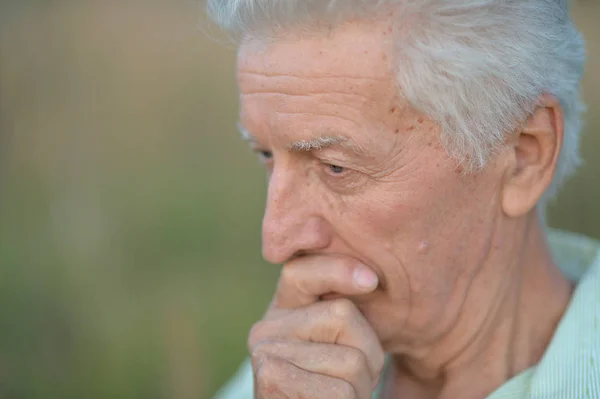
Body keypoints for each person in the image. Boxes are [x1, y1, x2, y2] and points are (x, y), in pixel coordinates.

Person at [208, 1, 600, 398]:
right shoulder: (279, 378)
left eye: (336, 168)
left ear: (523, 157)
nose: (276, 241)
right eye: (266, 156)